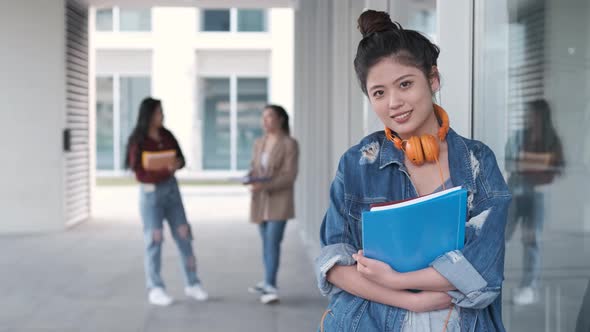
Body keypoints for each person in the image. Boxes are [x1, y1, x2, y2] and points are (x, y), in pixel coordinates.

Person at [315, 10, 512, 331]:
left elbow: (483, 271)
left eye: (405, 84)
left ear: (432, 79)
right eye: (379, 92)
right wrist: (411, 298)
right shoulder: (357, 163)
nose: (394, 102)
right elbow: (333, 263)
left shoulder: (476, 161)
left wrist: (396, 278)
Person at [125, 97, 208, 306]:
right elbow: (139, 173)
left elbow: (181, 159)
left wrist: (176, 164)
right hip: (151, 195)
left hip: (172, 192)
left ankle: (193, 283)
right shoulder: (139, 140)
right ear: (149, 115)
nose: (162, 115)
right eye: (158, 112)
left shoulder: (167, 135)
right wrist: (163, 170)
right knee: (154, 239)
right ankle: (155, 287)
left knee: (184, 235)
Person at [504, 99, 564, 305]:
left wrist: (526, 161)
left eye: (534, 113)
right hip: (516, 192)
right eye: (529, 113)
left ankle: (529, 287)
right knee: (501, 236)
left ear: (542, 116)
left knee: (531, 241)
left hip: (536, 195)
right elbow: (511, 162)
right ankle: (488, 279)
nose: (531, 117)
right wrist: (539, 162)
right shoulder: (520, 136)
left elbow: (555, 167)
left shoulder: (552, 139)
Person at [246, 104, 299, 304]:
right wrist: (250, 178)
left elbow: (289, 175)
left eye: (269, 117)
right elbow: (254, 167)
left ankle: (271, 286)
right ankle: (267, 279)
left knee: (272, 242)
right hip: (260, 201)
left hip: (278, 200)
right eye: (263, 117)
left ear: (280, 120)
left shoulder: (289, 144)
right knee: (266, 243)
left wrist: (264, 185)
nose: (265, 121)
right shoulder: (260, 142)